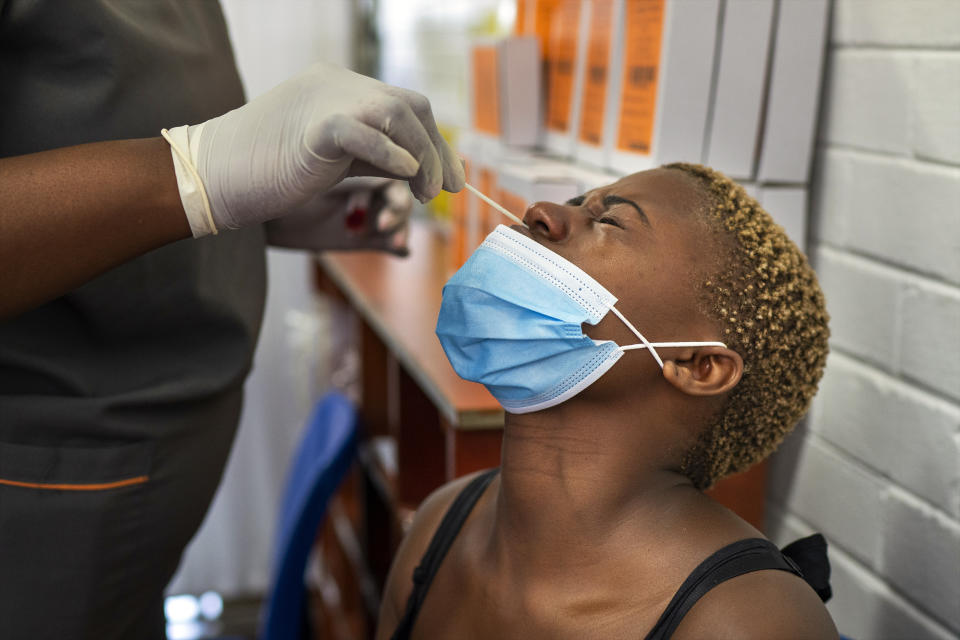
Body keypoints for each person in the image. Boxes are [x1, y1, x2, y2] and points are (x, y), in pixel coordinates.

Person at [0, 2, 462, 638]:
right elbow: (180, 168)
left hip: (148, 490)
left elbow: (107, 123)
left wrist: (269, 205)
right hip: (51, 487)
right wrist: (199, 172)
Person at [376, 164, 837, 639]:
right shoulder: (440, 524)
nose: (542, 213)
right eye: (578, 205)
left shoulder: (747, 621)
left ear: (699, 365)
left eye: (610, 222)